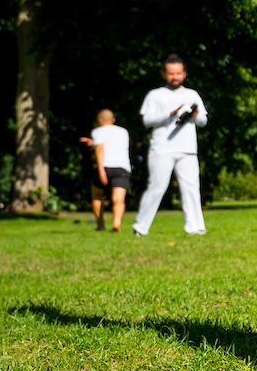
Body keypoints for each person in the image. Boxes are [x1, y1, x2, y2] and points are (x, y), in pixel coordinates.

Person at [134, 54, 209, 236]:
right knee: (157, 187)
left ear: (184, 74)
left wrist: (195, 116)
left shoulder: (192, 95)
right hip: (162, 148)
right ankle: (140, 227)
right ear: (163, 74)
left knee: (191, 188)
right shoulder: (155, 95)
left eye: (178, 73)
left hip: (187, 149)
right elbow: (146, 121)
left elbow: (203, 121)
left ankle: (195, 227)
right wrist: (169, 114)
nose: (174, 77)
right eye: (170, 73)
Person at [78, 109, 132, 232]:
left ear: (100, 120)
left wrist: (101, 169)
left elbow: (100, 148)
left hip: (105, 166)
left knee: (97, 195)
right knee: (119, 199)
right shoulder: (123, 132)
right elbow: (118, 145)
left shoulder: (98, 131)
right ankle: (116, 222)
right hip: (122, 167)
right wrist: (93, 143)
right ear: (113, 120)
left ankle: (101, 225)